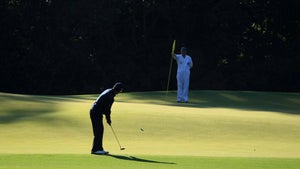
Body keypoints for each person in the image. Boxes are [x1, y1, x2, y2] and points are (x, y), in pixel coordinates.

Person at [90, 82, 124, 155]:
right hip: (96, 112)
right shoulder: (110, 97)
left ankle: (99, 148)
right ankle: (95, 149)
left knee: (100, 130)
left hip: (95, 111)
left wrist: (107, 118)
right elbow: (107, 110)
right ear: (118, 91)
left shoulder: (108, 91)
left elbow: (106, 109)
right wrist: (108, 119)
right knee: (99, 131)